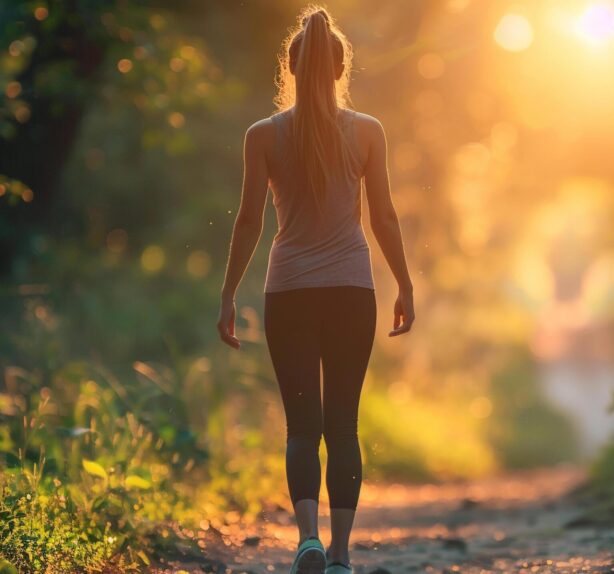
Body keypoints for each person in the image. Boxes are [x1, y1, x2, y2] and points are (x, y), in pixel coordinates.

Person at [216, 7, 414, 574]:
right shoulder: (368, 131)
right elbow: (385, 217)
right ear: (338, 69)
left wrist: (228, 293)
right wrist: (403, 283)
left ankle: (306, 538)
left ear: (293, 68)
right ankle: (342, 554)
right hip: (352, 291)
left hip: (290, 294)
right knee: (343, 425)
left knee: (302, 426)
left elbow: (249, 221)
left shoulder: (262, 136)